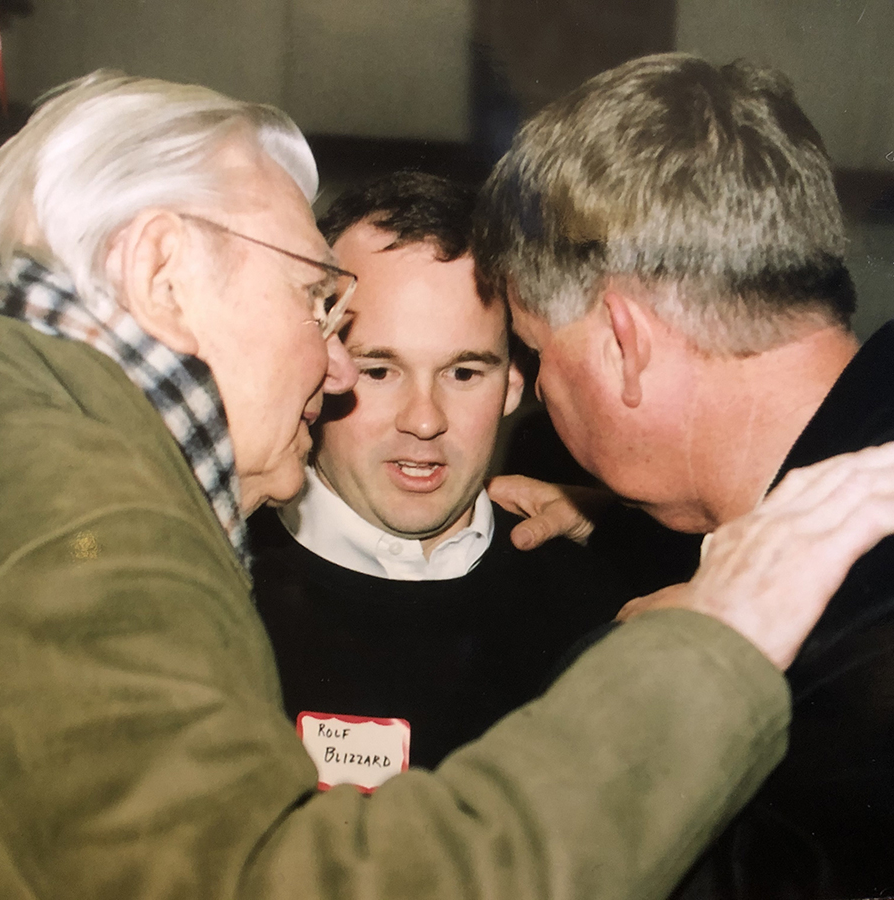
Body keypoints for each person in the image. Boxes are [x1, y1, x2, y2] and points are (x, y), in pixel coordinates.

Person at [0, 70, 894, 900]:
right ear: (164, 272)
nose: (339, 372)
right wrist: (709, 647)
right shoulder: (68, 526)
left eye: (491, 365)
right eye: (320, 306)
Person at [475, 52, 894, 899]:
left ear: (623, 346)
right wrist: (638, 520)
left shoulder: (790, 683)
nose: (534, 390)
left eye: (536, 351)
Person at [251, 172, 630, 778]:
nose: (424, 422)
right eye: (379, 371)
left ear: (511, 385)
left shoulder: (602, 604)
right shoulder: (217, 587)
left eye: (462, 373)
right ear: (320, 368)